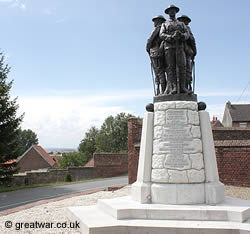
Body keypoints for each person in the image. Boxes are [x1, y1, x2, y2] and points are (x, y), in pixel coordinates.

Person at [160, 5, 190, 95]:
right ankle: (173, 87)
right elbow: (161, 34)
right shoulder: (165, 24)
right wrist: (171, 37)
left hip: (180, 47)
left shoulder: (181, 24)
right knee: (171, 67)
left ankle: (182, 87)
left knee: (182, 66)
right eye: (170, 11)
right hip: (169, 48)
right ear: (168, 12)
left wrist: (181, 36)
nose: (172, 12)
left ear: (176, 12)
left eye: (173, 10)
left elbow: (187, 34)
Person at [146, 15, 166, 95]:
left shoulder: (158, 28)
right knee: (161, 72)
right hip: (162, 52)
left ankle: (162, 91)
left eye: (155, 21)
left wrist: (148, 49)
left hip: (155, 52)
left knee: (158, 73)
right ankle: (162, 90)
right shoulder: (165, 29)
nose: (154, 23)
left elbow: (149, 40)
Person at [177, 15, 197, 92]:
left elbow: (191, 39)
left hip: (183, 51)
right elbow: (192, 40)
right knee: (187, 70)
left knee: (182, 70)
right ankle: (186, 87)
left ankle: (184, 87)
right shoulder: (186, 28)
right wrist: (194, 51)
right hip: (186, 52)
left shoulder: (181, 28)